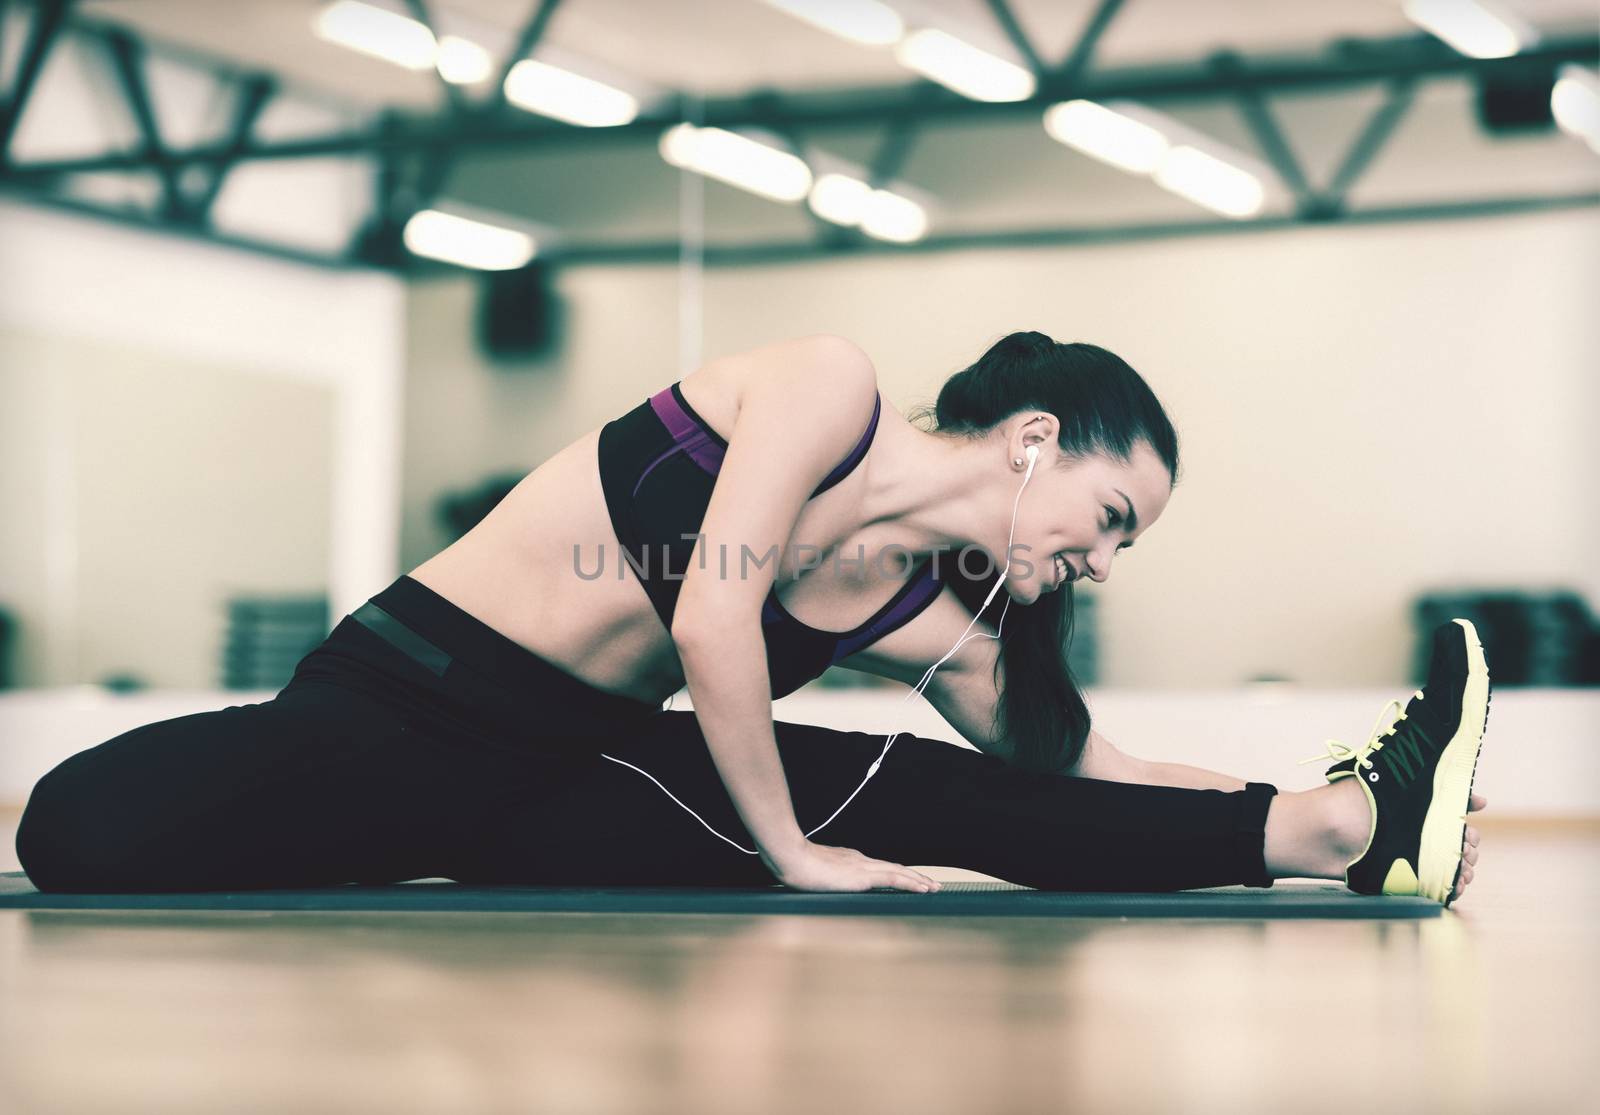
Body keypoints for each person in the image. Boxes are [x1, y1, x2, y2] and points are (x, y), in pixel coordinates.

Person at [15, 332, 1488, 903]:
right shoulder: (821, 391)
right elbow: (719, 614)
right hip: (401, 701)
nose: (1105, 562)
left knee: (937, 790)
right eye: (1114, 519)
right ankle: (387, 833)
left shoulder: (936, 616)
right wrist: (793, 856)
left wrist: (1283, 792)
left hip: (550, 773)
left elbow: (1078, 767)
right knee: (76, 833)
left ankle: (1347, 828)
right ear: (1033, 437)